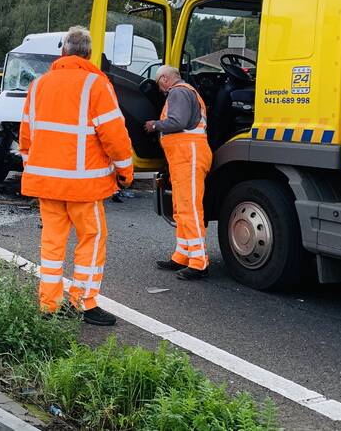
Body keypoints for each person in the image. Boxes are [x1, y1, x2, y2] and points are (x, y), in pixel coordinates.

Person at [20, 26, 134, 326]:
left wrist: (34, 170)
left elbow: (26, 136)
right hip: (85, 185)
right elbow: (114, 135)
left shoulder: (39, 85)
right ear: (89, 54)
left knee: (52, 243)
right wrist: (125, 171)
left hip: (47, 183)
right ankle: (82, 303)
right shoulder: (96, 84)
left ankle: (49, 305)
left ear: (63, 52)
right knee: (92, 239)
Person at [144, 65, 213, 280]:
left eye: (159, 84)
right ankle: (182, 255)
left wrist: (154, 125)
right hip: (186, 156)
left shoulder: (178, 92)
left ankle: (199, 262)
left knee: (189, 208)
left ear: (165, 79)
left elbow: (177, 122)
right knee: (181, 208)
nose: (160, 89)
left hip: (188, 156)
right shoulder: (186, 92)